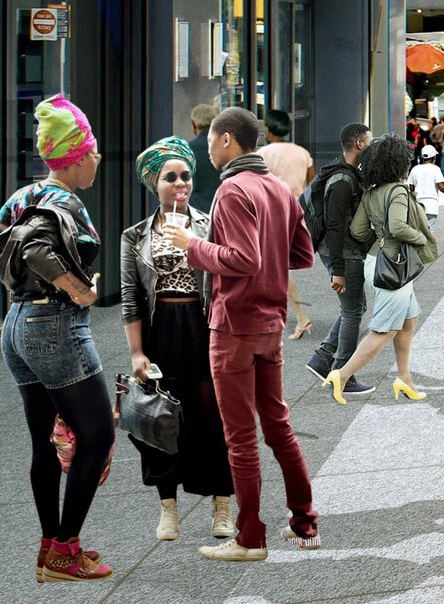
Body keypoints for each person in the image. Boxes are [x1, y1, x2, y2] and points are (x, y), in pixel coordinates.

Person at [160, 106, 320, 561]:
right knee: (278, 428)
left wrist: (192, 246)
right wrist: (266, 265)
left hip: (234, 325)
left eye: (210, 140)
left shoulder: (232, 188)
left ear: (227, 140)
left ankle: (250, 538)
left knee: (241, 439)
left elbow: (242, 259)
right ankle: (304, 524)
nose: (207, 148)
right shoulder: (277, 188)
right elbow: (303, 255)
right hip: (270, 324)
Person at [1, 96, 115, 581]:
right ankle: (67, 552)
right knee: (99, 435)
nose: (98, 159)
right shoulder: (66, 200)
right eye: (92, 152)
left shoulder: (19, 197)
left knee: (43, 443)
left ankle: (51, 548)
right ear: (75, 156)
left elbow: (12, 250)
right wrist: (80, 289)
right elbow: (42, 250)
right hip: (55, 325)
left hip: (17, 324)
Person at [122, 137, 236, 543]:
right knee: (160, 420)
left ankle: (222, 506)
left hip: (204, 327)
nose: (180, 183)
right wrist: (137, 352)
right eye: (170, 177)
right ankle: (167, 509)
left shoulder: (209, 224)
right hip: (161, 331)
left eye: (186, 175)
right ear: (154, 182)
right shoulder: (135, 237)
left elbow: (227, 275)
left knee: (213, 418)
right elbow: (131, 298)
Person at [326, 134, 437, 405]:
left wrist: (380, 235)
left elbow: (357, 230)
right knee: (384, 330)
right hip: (394, 266)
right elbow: (399, 226)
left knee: (408, 321)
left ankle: (404, 378)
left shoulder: (372, 192)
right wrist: (420, 237)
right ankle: (341, 376)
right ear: (398, 163)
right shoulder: (397, 191)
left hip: (376, 261)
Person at [305, 124, 376, 398]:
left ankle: (322, 359)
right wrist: (337, 270)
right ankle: (343, 374)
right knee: (353, 312)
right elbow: (335, 226)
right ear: (359, 143)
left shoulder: (343, 173)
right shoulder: (342, 181)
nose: (371, 145)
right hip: (343, 253)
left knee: (355, 307)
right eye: (369, 141)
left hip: (345, 251)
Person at [257, 109, 314, 340]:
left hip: (271, 214)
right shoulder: (302, 153)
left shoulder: (262, 154)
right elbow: (311, 180)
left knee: (273, 267)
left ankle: (299, 317)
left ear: (268, 130)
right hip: (295, 212)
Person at [188, 104, 222, 212]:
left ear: (193, 124)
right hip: (224, 211)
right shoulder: (228, 147)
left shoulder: (187, 150)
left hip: (197, 212)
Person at [408, 145, 444, 231]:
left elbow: (411, 188)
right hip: (431, 205)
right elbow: (441, 187)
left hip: (418, 204)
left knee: (418, 231)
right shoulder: (436, 169)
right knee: (430, 231)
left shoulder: (415, 169)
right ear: (433, 157)